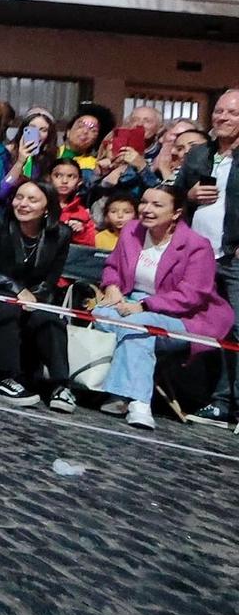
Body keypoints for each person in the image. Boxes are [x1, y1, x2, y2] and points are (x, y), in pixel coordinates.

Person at [91, 184, 233, 430]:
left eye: (157, 205)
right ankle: (126, 395)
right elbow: (112, 267)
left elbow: (193, 295)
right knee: (101, 313)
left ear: (176, 213)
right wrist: (112, 286)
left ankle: (137, 402)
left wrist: (146, 305)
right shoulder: (131, 231)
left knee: (139, 328)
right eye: (144, 202)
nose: (146, 209)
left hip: (185, 316)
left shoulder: (197, 245)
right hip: (130, 303)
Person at [0, 177, 72, 407]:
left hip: (32, 297)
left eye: (32, 200)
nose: (23, 204)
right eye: (19, 197)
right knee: (8, 308)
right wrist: (17, 290)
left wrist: (34, 298)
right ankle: (2, 377)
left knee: (50, 319)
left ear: (47, 207)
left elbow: (50, 280)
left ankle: (60, 385)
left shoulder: (61, 235)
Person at [174, 88, 239, 425]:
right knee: (199, 327)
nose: (223, 118)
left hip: (234, 259)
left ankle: (228, 402)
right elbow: (172, 199)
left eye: (232, 113)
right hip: (198, 256)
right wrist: (189, 194)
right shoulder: (199, 154)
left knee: (236, 331)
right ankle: (202, 396)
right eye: (219, 111)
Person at [47, 156, 96, 245]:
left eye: (71, 176)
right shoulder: (39, 205)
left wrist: (80, 233)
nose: (64, 181)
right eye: (58, 175)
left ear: (79, 181)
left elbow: (91, 243)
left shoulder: (82, 213)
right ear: (49, 178)